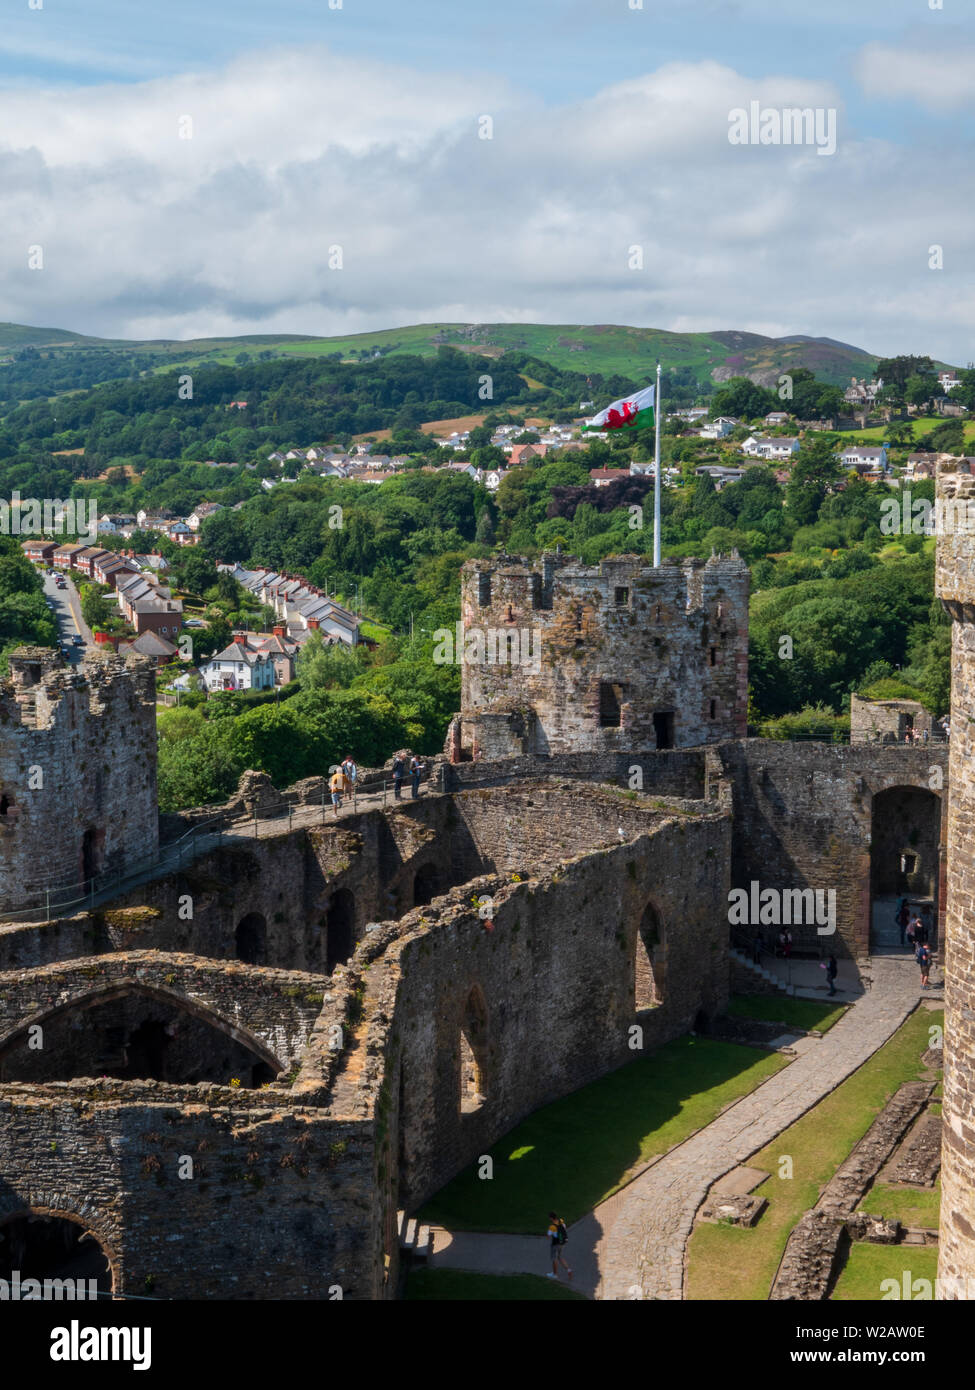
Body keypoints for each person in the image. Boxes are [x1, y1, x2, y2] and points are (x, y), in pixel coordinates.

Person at [547, 1212, 572, 1281]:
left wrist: (552, 1233)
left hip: (555, 1244)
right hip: (562, 1243)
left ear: (551, 1218)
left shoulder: (552, 1227)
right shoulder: (561, 1221)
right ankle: (569, 1270)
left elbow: (548, 1237)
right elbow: (564, 1228)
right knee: (560, 1257)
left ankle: (555, 1274)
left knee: (554, 1259)